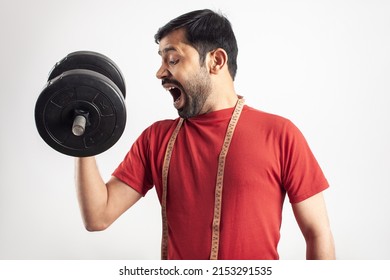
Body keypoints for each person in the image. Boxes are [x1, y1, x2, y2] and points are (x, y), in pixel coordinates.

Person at [75, 9, 335, 260]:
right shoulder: (155, 139)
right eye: (162, 60)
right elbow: (99, 216)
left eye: (173, 59)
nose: (160, 72)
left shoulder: (279, 135)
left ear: (216, 61)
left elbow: (317, 233)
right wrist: (81, 134)